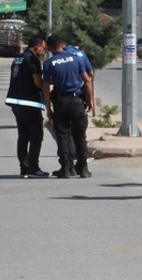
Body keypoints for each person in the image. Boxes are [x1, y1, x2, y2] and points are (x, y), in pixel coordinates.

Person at [42, 35, 94, 178]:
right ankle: (83, 168)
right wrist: (90, 99)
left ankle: (66, 168)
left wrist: (48, 109)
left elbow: (45, 88)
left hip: (61, 103)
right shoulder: (76, 58)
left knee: (63, 135)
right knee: (80, 136)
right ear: (62, 45)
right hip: (77, 101)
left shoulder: (49, 63)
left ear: (51, 47)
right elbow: (87, 80)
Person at [6, 33, 48, 178]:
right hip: (29, 102)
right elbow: (37, 82)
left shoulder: (18, 58)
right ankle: (33, 168)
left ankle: (24, 168)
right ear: (36, 47)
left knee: (23, 136)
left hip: (16, 102)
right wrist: (47, 85)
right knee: (37, 136)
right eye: (43, 48)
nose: (44, 52)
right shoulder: (32, 59)